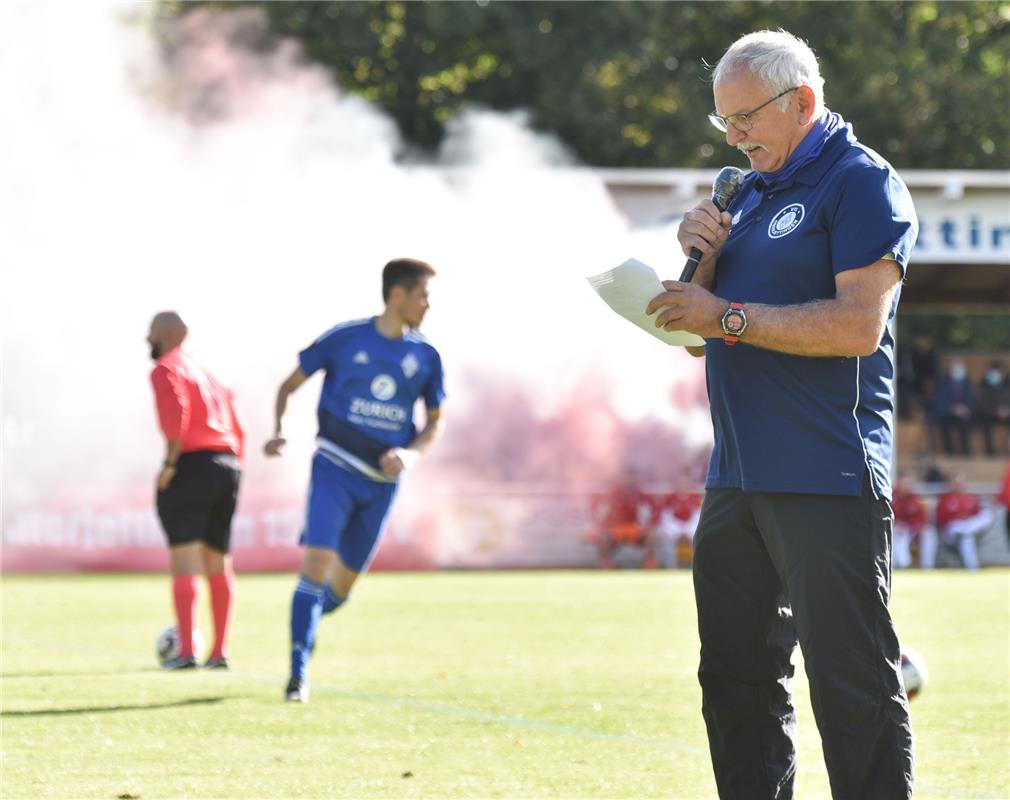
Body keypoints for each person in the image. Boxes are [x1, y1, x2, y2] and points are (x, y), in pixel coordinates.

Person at [645, 30, 917, 799]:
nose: (732, 137)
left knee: (851, 689)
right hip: (735, 476)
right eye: (722, 122)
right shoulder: (748, 193)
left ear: (802, 102)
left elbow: (857, 326)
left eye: (744, 118)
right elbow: (703, 341)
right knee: (732, 679)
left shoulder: (861, 182)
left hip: (827, 471)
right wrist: (704, 271)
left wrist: (725, 315)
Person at [266, 258, 446, 703]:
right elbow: (288, 385)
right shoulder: (344, 339)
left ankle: (305, 617)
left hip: (381, 486)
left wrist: (410, 453)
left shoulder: (426, 356)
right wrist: (280, 429)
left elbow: (435, 422)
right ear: (398, 295)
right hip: (334, 468)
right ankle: (297, 675)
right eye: (423, 295)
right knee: (315, 567)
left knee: (340, 590)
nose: (428, 304)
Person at [147, 311, 243, 670]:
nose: (147, 339)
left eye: (152, 332)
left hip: (192, 464)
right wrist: (234, 469)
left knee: (185, 559)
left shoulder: (167, 369)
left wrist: (171, 464)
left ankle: (186, 651)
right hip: (228, 465)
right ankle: (220, 652)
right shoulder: (211, 374)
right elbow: (238, 427)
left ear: (168, 334)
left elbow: (176, 413)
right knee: (218, 562)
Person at [589, 467, 657, 569]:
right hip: (616, 527)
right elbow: (595, 503)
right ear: (623, 478)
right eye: (628, 477)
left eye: (633, 477)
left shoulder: (639, 493)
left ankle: (650, 564)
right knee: (604, 536)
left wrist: (651, 523)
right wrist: (600, 522)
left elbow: (655, 507)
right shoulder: (614, 491)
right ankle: (606, 565)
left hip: (633, 527)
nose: (630, 480)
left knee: (649, 535)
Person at [935, 474, 994, 570]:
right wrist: (957, 517)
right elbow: (941, 518)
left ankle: (972, 569)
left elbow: (977, 514)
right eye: (956, 483)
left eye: (960, 482)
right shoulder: (944, 498)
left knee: (987, 515)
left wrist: (969, 521)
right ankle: (973, 569)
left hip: (967, 526)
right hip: (952, 528)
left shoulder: (970, 497)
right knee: (964, 532)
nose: (958, 485)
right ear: (951, 483)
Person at [655, 469, 703, 567]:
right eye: (681, 482)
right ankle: (671, 566)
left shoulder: (695, 497)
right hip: (674, 528)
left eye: (686, 482)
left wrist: (687, 530)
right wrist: (678, 530)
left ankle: (697, 567)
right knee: (666, 537)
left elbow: (697, 516)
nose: (683, 485)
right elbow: (666, 517)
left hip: (690, 528)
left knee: (699, 539)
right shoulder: (670, 497)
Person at [932, 359, 975, 455]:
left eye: (959, 369)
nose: (957, 371)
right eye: (955, 369)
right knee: (945, 425)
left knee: (965, 425)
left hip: (964, 413)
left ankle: (966, 452)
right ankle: (949, 453)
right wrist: (952, 409)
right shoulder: (943, 383)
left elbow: (971, 399)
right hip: (948, 413)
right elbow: (940, 400)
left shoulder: (967, 383)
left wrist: (965, 408)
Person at [891, 473, 934, 569]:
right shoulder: (891, 496)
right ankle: (901, 565)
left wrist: (917, 528)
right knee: (899, 534)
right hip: (895, 527)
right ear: (898, 483)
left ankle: (927, 566)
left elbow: (922, 517)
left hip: (912, 528)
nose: (906, 486)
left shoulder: (914, 498)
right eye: (904, 483)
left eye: (908, 483)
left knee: (929, 533)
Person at [976, 361, 1010, 456]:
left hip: (1007, 414)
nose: (996, 375)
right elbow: (983, 405)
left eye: (998, 372)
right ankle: (990, 453)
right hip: (991, 414)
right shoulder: (984, 386)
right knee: (985, 423)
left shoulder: (1008, 385)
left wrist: (1007, 410)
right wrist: (995, 411)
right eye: (994, 372)